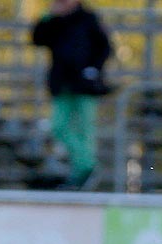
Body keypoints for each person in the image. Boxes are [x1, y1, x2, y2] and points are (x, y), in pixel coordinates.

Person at [31, 0, 113, 189]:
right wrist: (48, 16)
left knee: (85, 130)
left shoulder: (89, 19)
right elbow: (37, 39)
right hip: (62, 84)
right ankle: (86, 165)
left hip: (84, 85)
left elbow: (105, 47)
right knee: (59, 126)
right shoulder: (55, 21)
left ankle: (81, 173)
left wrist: (93, 69)